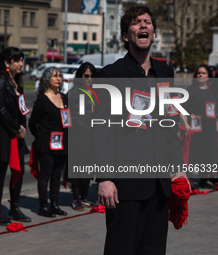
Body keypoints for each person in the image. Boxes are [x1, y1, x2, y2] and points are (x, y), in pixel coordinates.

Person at [95, 5, 188, 254]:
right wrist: (104, 178)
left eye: (148, 22)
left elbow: (170, 127)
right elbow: (101, 130)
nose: (144, 25)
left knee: (154, 249)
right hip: (125, 186)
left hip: (159, 184)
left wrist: (178, 169)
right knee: (121, 248)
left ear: (154, 34)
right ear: (126, 35)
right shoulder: (110, 74)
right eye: (137, 23)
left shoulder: (166, 73)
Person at [0, 47, 31, 225]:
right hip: (3, 133)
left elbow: (21, 109)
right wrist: (17, 128)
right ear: (7, 63)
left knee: (18, 171)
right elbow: (1, 110)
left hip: (16, 133)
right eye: (17, 60)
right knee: (0, 172)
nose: (21, 64)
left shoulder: (17, 81)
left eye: (21, 60)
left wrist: (23, 126)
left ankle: (14, 208)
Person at [29, 67, 68, 218]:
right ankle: (43, 206)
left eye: (60, 76)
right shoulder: (42, 100)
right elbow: (33, 123)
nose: (58, 78)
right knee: (45, 175)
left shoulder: (65, 98)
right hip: (46, 143)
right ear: (46, 79)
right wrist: (41, 137)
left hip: (62, 143)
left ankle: (55, 204)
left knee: (57, 175)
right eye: (54, 76)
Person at [180, 64, 218, 189]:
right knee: (193, 154)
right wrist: (186, 124)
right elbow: (181, 109)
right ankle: (189, 179)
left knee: (208, 153)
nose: (200, 75)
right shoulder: (190, 90)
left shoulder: (213, 91)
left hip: (210, 129)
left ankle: (204, 179)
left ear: (209, 76)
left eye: (203, 73)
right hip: (194, 128)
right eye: (199, 73)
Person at [67, 62, 98, 211]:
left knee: (88, 166)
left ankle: (85, 198)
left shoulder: (96, 92)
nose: (89, 79)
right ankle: (76, 199)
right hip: (78, 134)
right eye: (86, 76)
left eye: (92, 76)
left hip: (92, 134)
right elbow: (68, 114)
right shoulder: (73, 93)